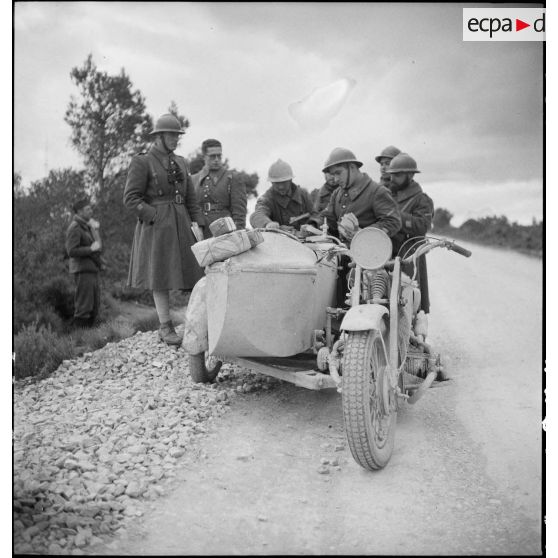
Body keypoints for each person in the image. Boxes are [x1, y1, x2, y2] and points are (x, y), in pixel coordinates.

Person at [123, 113, 205, 346]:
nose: (175, 139)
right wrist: (155, 215)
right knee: (160, 277)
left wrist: (197, 221)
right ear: (158, 136)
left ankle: (195, 324)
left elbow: (190, 196)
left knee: (193, 274)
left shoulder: (181, 162)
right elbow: (130, 198)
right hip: (157, 227)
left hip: (180, 222)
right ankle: (165, 326)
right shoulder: (143, 161)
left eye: (177, 135)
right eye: (171, 135)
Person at [309, 147, 401, 241]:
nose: (336, 179)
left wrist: (363, 234)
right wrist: (313, 226)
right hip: (342, 251)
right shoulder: (337, 193)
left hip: (368, 252)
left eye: (338, 173)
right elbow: (328, 218)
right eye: (333, 175)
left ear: (352, 168)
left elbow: (393, 222)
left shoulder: (377, 191)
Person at [386, 152, 434, 314]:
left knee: (409, 301)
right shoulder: (386, 195)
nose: (392, 179)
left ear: (410, 175)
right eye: (392, 175)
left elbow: (422, 226)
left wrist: (396, 217)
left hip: (409, 254)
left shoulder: (421, 200)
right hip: (386, 251)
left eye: (397, 175)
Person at [191, 139, 247, 238]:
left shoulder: (232, 178)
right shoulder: (193, 179)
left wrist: (238, 233)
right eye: (212, 156)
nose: (216, 159)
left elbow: (239, 211)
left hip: (226, 231)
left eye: (219, 156)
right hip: (201, 231)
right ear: (204, 157)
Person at [65, 197, 102, 328]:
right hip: (82, 271)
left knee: (94, 306)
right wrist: (89, 249)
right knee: (84, 307)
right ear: (79, 212)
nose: (91, 211)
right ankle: (79, 340)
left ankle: (89, 339)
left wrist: (94, 229)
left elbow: (99, 246)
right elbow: (71, 251)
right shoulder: (75, 228)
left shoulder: (87, 227)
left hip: (91, 270)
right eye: (88, 209)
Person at [250, 159, 315, 230]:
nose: (281, 187)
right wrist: (267, 223)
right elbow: (258, 214)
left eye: (284, 182)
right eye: (277, 183)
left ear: (290, 180)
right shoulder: (266, 199)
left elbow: (316, 215)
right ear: (271, 182)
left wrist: (312, 226)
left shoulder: (303, 194)